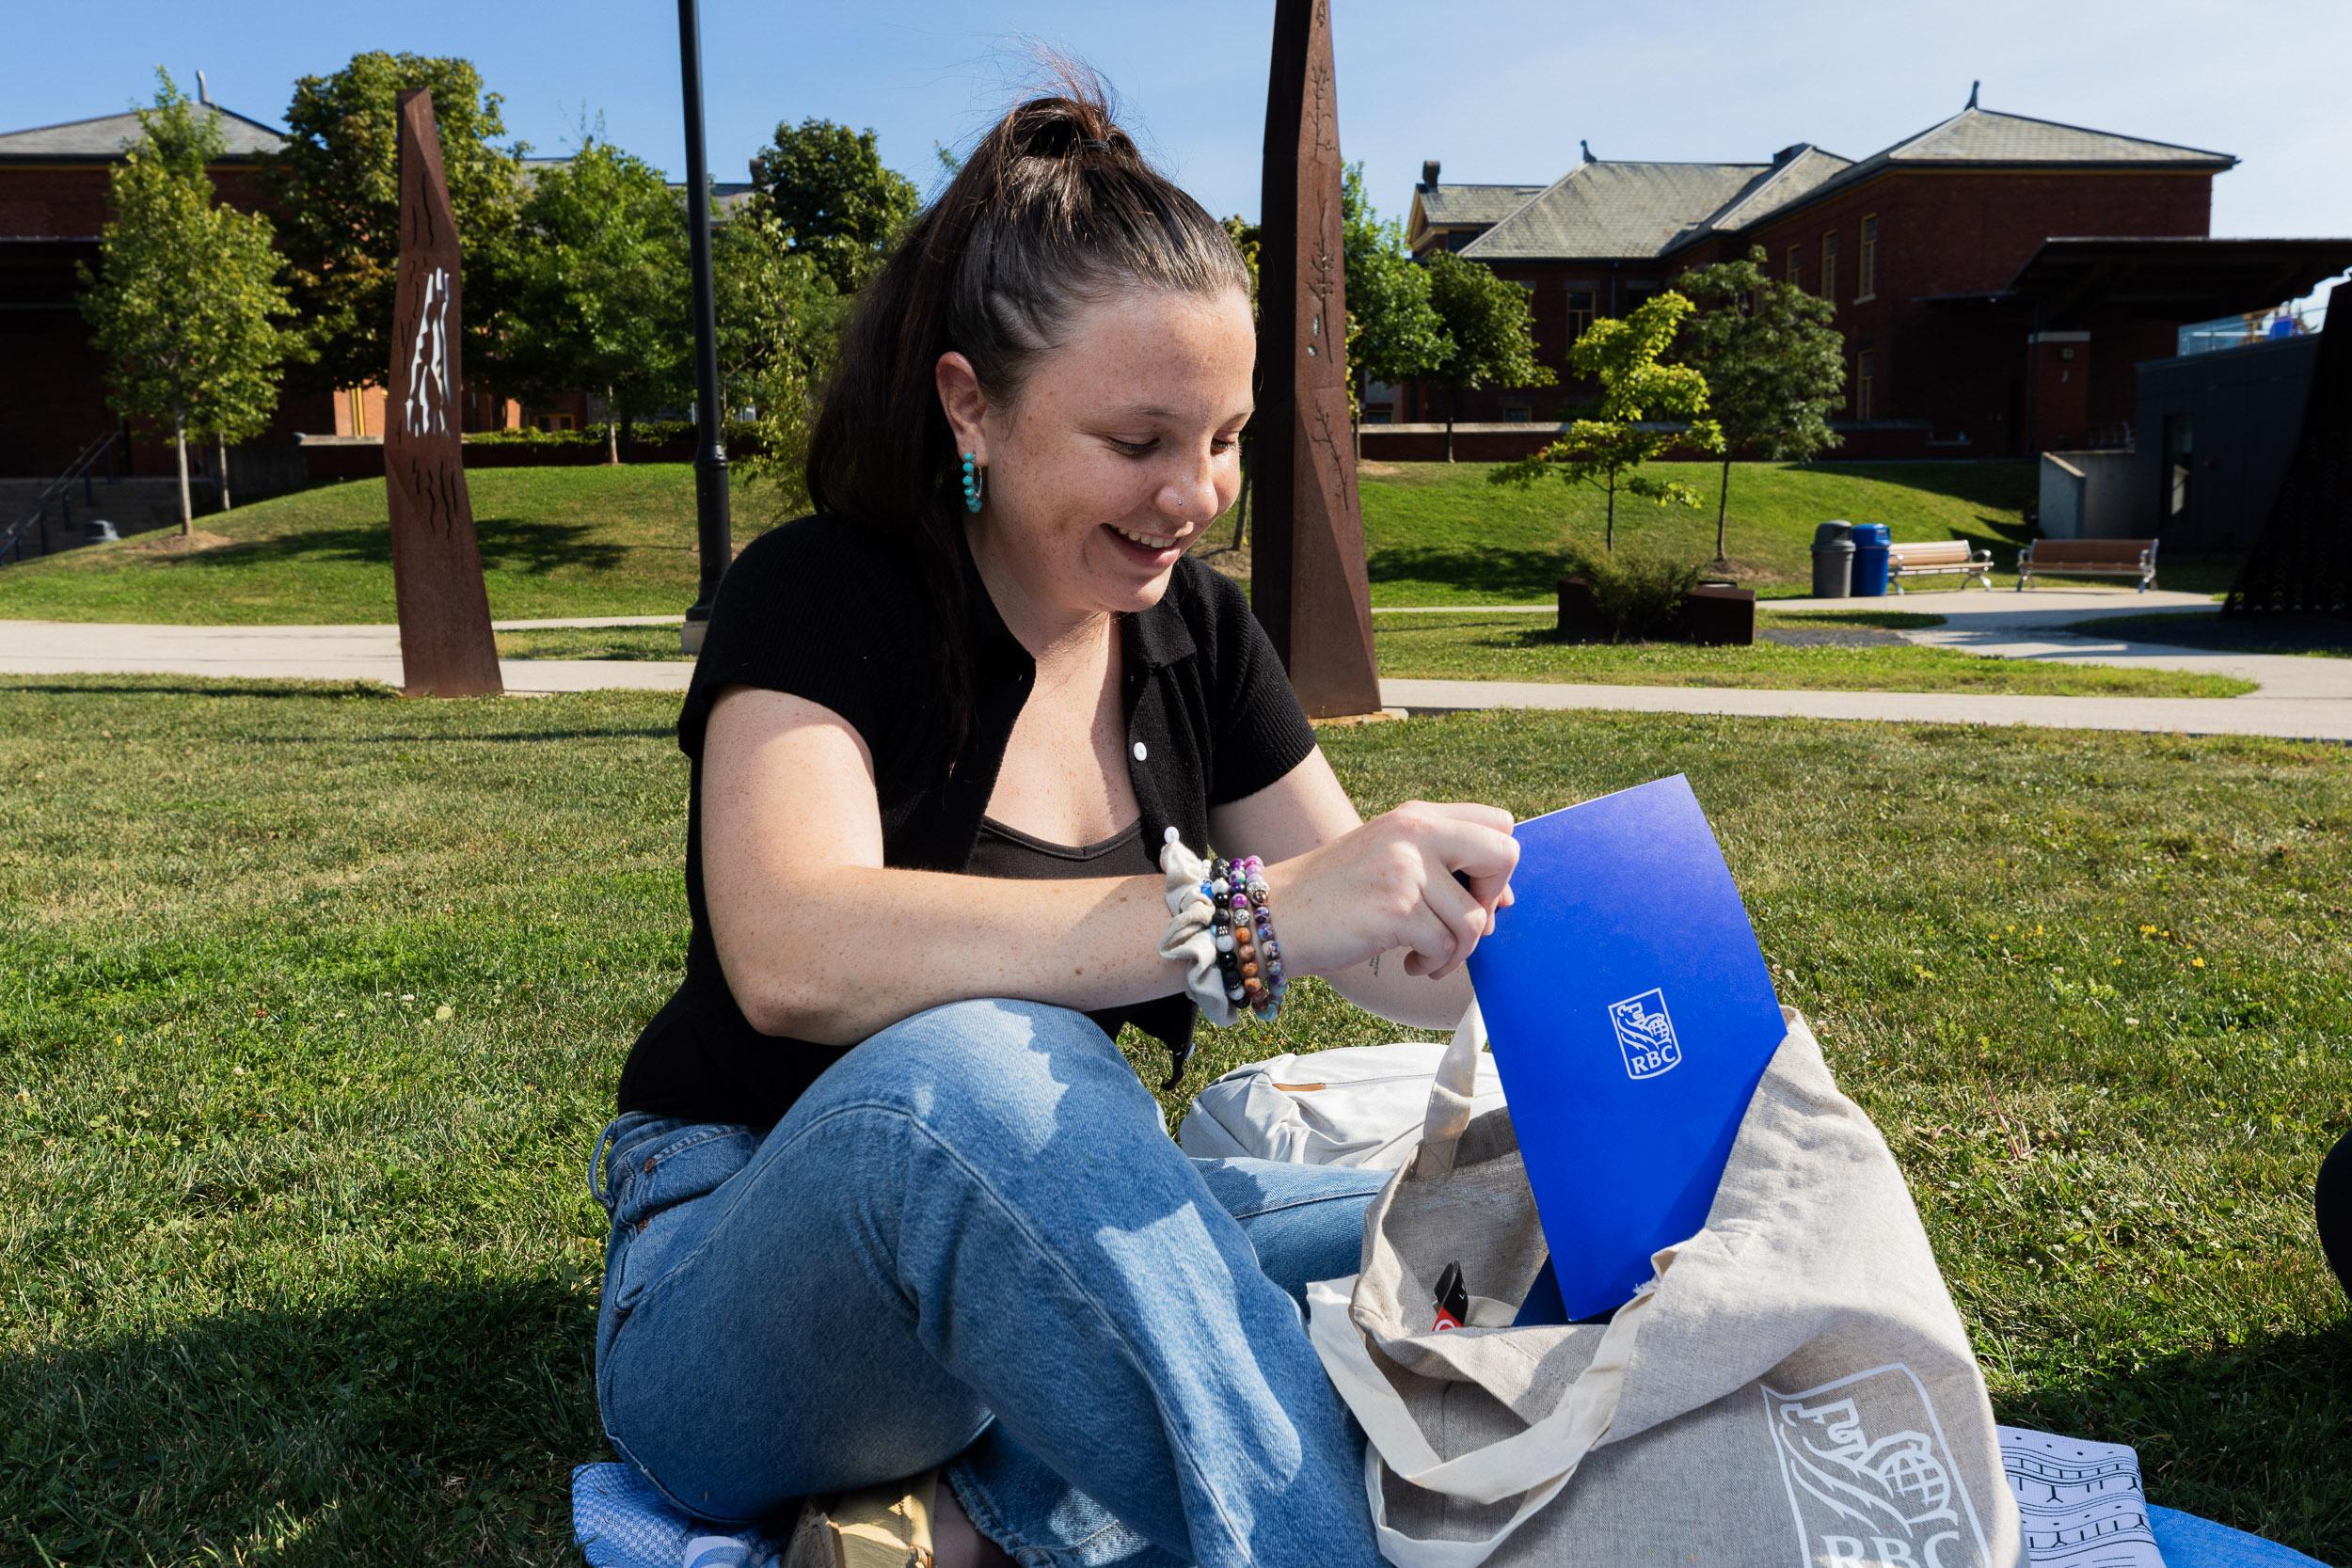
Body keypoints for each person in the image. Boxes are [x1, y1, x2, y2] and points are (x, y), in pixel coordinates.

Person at [587, 78, 1519, 1568]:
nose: (1195, 494)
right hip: (746, 1269)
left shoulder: (1198, 636)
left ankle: (960, 1525)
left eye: (1224, 438)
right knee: (985, 1065)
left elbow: (1376, 940)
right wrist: (1250, 915)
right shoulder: (823, 593)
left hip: (1046, 1241)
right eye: (1140, 438)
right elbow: (793, 949)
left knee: (1503, 1213)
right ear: (972, 401)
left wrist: (1502, 937)